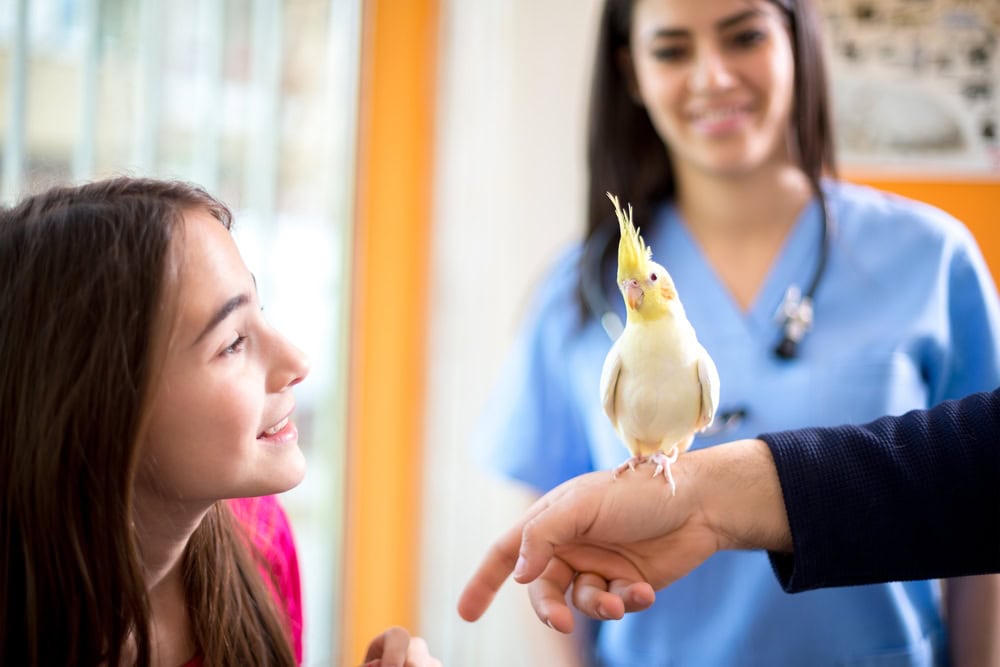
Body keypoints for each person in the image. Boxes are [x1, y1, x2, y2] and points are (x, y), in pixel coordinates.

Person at [477, 0, 1000, 664]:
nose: (714, 77)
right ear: (630, 72)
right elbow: (544, 559)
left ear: (796, 42)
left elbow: (983, 509)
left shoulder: (933, 259)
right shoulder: (569, 297)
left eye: (744, 35)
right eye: (671, 50)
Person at [0, 178, 440, 667]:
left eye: (261, 311)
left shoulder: (261, 542)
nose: (297, 361)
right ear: (99, 406)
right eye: (232, 343)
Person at [458, 387, 1000, 635]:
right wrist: (701, 501)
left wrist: (703, 496)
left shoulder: (935, 255)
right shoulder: (572, 288)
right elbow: (549, 526)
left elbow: (977, 481)